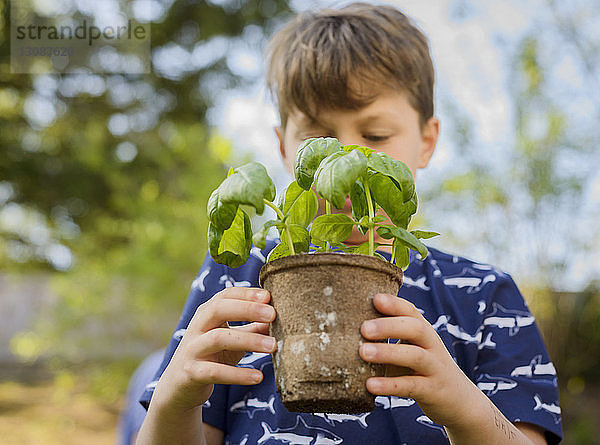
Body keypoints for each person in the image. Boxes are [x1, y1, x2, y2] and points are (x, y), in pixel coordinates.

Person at [136, 3, 563, 444]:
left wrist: (463, 407)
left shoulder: (484, 296)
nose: (348, 162)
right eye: (318, 140)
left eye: (376, 137)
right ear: (285, 148)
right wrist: (176, 399)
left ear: (427, 142)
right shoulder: (237, 282)